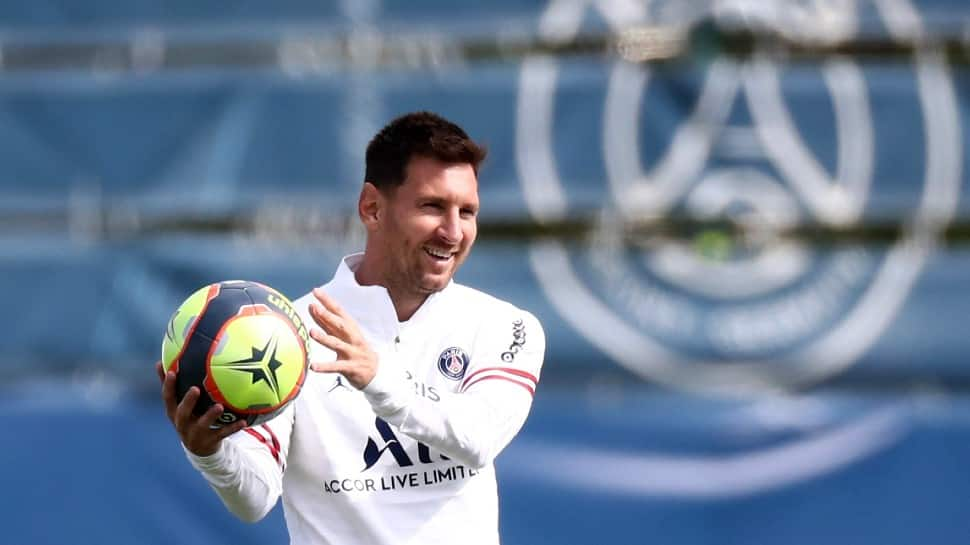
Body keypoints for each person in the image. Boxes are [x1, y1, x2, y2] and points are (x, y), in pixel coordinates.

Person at [157, 111, 545, 545]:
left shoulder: (505, 326)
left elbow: (478, 437)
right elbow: (255, 497)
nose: (453, 232)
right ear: (372, 208)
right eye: (432, 206)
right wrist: (209, 452)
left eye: (468, 211)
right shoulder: (287, 333)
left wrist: (378, 377)